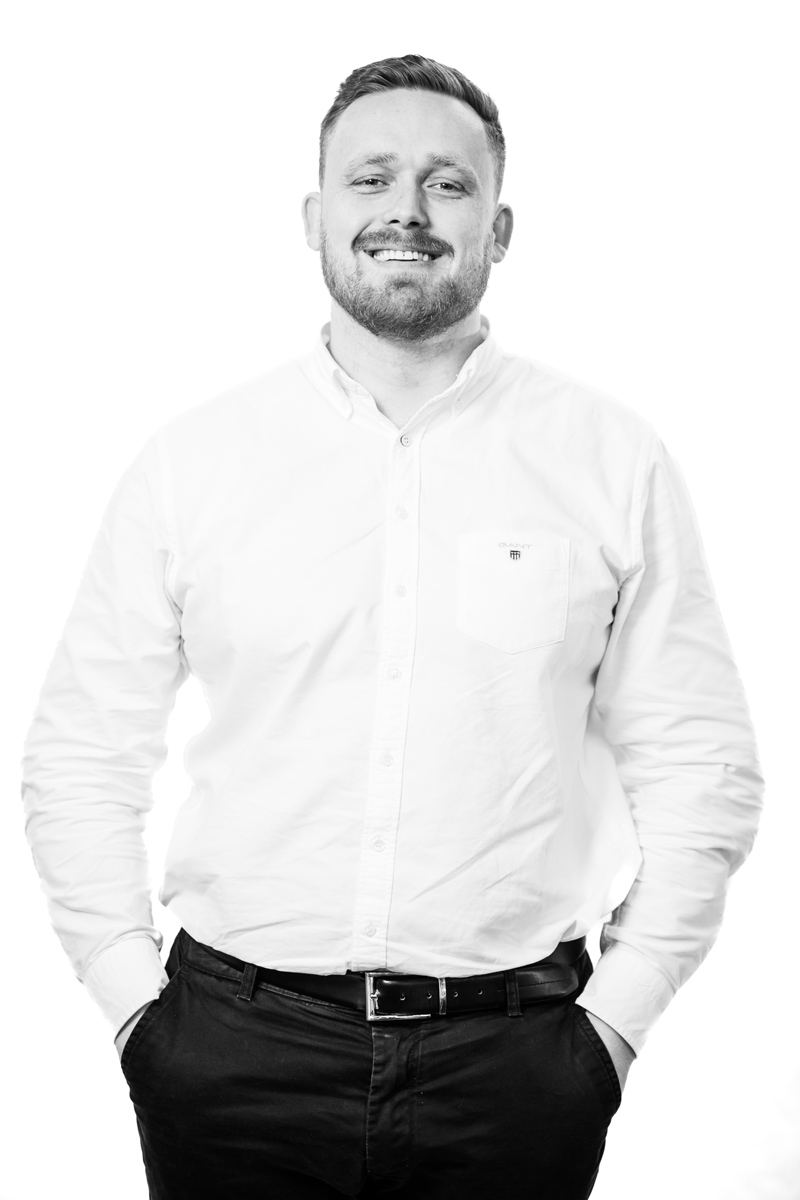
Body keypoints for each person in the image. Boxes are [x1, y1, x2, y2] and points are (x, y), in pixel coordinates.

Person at [22, 53, 763, 1200]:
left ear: (498, 228)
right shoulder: (193, 464)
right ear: (314, 218)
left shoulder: (608, 459)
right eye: (369, 180)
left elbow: (699, 761)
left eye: (445, 184)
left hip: (514, 1063)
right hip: (230, 1052)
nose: (404, 211)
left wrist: (611, 1029)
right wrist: (135, 1010)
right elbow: (82, 748)